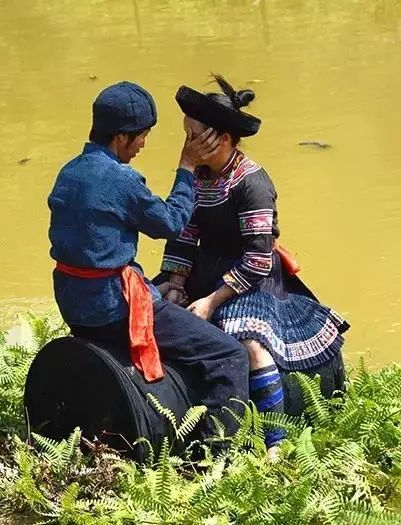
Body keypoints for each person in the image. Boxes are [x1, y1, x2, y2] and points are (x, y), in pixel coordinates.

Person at [155, 75, 350, 457]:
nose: (187, 147)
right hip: (203, 269)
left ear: (222, 139)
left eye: (194, 137)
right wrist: (176, 282)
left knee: (249, 345)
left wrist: (211, 302)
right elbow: (184, 230)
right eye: (186, 136)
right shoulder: (199, 176)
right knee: (152, 300)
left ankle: (273, 444)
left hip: (250, 280)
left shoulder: (252, 184)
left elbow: (259, 258)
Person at [47, 80, 250, 447]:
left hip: (75, 305)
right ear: (122, 138)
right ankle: (216, 451)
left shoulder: (69, 172)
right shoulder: (121, 180)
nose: (143, 145)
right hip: (111, 309)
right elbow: (171, 222)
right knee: (229, 354)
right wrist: (187, 167)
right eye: (142, 137)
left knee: (158, 291)